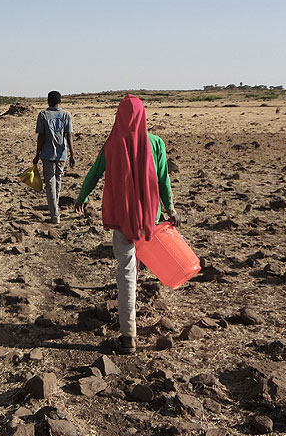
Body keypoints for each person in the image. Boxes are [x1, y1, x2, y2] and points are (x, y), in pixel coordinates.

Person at [74, 94, 179, 354]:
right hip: (149, 220)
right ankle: (133, 314)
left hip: (122, 220)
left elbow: (94, 173)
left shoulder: (112, 145)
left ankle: (128, 336)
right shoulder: (156, 143)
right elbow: (164, 180)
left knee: (126, 271)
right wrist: (171, 208)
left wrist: (82, 196)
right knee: (136, 266)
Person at [33, 90, 75, 223]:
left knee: (50, 182)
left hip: (47, 154)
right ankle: (55, 208)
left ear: (48, 101)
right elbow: (69, 135)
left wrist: (37, 154)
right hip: (62, 154)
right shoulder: (66, 115)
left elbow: (41, 136)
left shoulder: (43, 115)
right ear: (60, 101)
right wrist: (72, 155)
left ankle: (54, 214)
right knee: (58, 180)